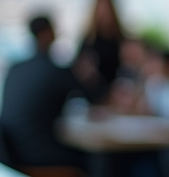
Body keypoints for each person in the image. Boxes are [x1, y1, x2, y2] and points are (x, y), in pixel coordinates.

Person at [0, 14, 97, 167]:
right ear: (47, 33)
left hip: (11, 156)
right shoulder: (55, 71)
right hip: (39, 156)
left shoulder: (15, 69)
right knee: (95, 159)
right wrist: (90, 75)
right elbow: (95, 98)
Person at [76, 0, 125, 98]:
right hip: (94, 95)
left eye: (107, 9)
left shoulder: (121, 40)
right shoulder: (88, 41)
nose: (104, 14)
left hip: (119, 96)